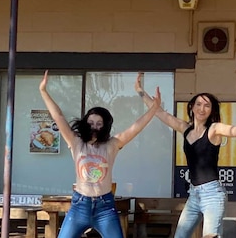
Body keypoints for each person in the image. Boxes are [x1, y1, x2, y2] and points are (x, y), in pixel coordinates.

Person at [135, 73, 236, 238]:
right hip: (194, 195)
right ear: (192, 107)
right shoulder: (185, 128)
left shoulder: (214, 129)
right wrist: (140, 91)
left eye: (207, 105)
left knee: (210, 236)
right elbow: (159, 113)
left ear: (212, 110)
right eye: (199, 104)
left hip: (212, 194)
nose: (202, 108)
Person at [39, 70, 162, 238]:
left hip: (105, 206)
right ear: (85, 123)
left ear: (105, 126)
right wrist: (43, 91)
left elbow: (135, 127)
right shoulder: (76, 142)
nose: (94, 127)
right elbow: (59, 116)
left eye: (98, 123)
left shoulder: (112, 144)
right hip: (79, 205)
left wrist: (154, 108)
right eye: (90, 123)